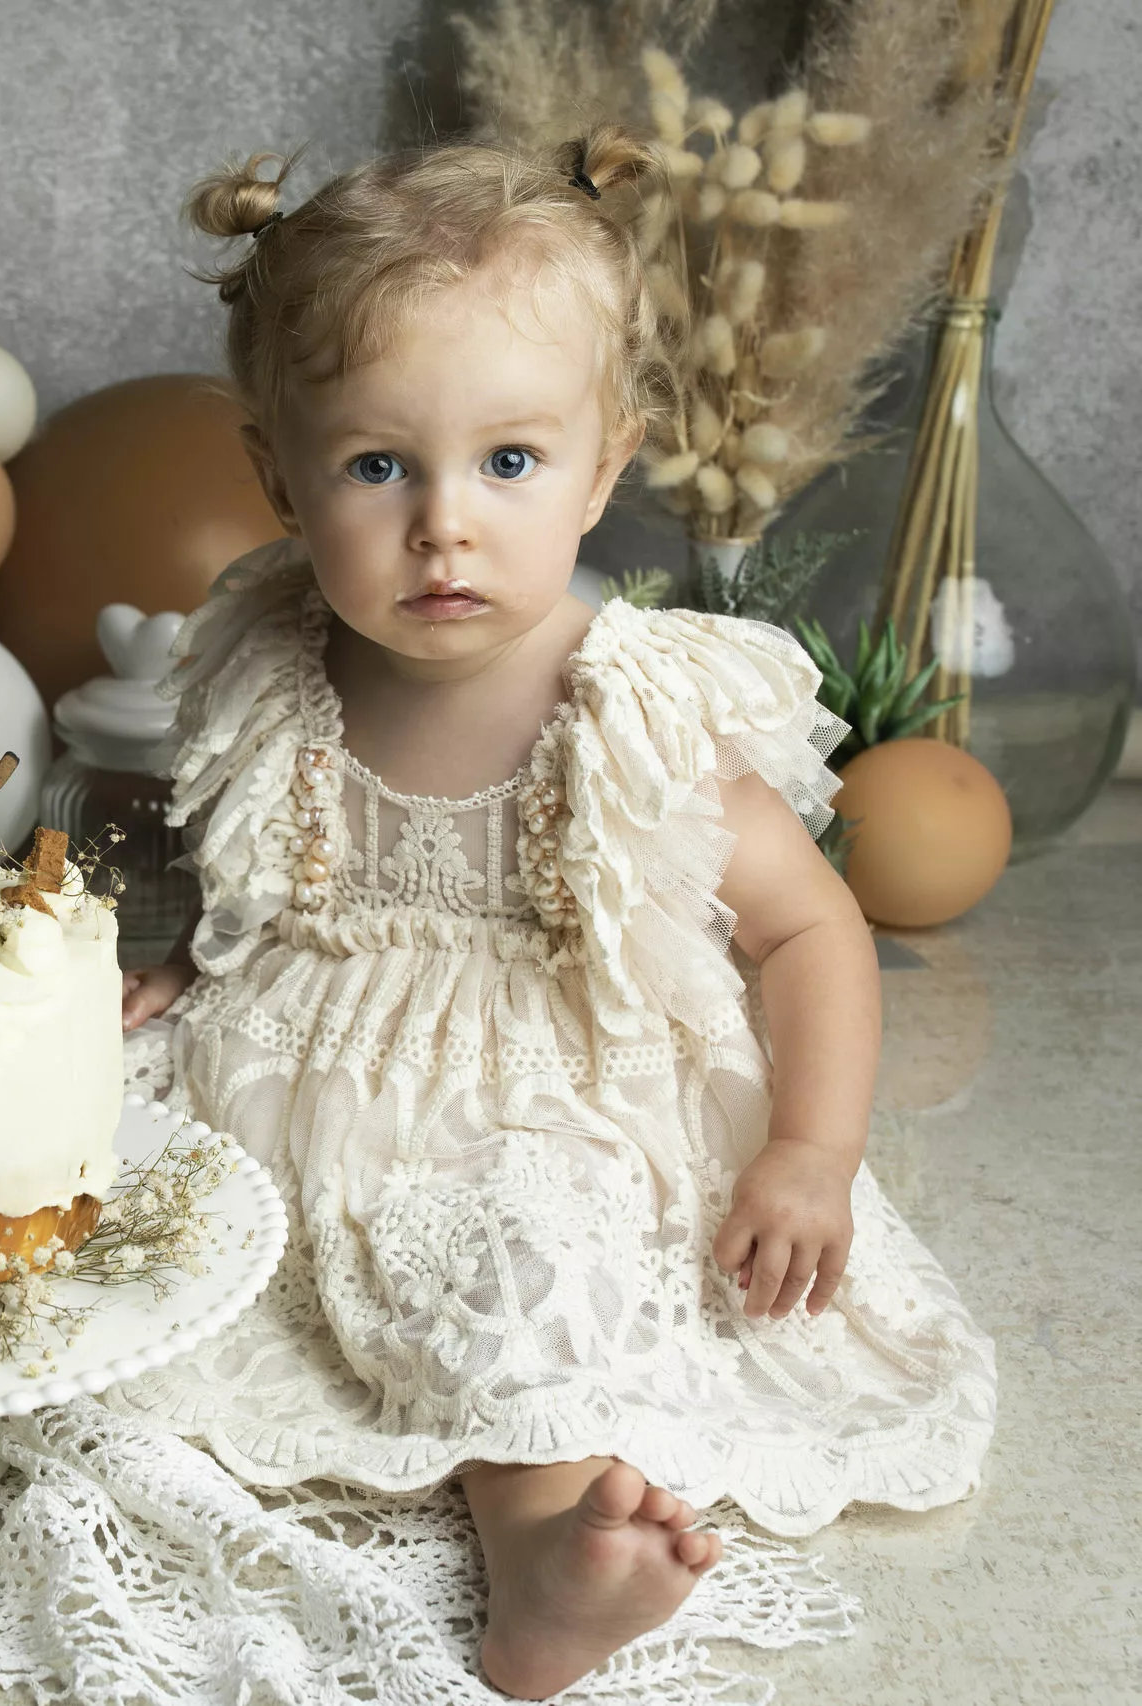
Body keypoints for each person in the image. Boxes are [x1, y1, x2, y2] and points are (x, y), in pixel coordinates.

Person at [115, 125, 995, 1698]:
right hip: (304, 1059)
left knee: (527, 1263)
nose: (441, 525)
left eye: (506, 462)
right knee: (97, 1198)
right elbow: (275, 847)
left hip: (549, 1086)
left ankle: (537, 1557)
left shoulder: (622, 716)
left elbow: (809, 932)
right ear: (277, 474)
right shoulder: (273, 656)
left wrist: (810, 1149)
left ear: (605, 462)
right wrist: (204, 951)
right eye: (376, 466)